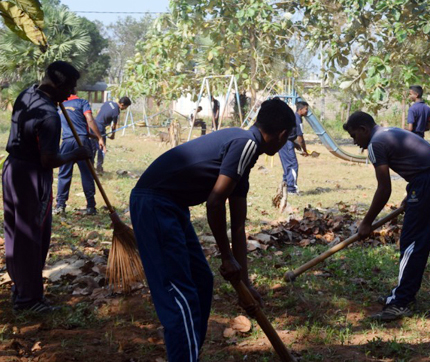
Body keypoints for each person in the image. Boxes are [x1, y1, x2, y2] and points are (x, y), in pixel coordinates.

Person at [129, 98, 295, 361]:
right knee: (180, 295)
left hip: (172, 206)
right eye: (288, 139)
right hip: (155, 204)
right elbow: (215, 202)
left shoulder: (246, 151)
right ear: (282, 135)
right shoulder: (245, 144)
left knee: (201, 281)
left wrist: (244, 283)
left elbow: (238, 224)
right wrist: (226, 256)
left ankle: (189, 352)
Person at [3, 61, 92, 313]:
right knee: (33, 236)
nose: (72, 94)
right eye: (70, 87)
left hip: (12, 169)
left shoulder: (27, 94)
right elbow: (49, 160)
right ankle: (29, 300)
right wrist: (76, 154)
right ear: (58, 84)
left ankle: (21, 288)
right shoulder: (50, 116)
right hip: (32, 176)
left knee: (16, 233)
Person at [344, 111, 430, 321]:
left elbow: (384, 189)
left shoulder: (376, 144)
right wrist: (413, 192)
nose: (355, 142)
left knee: (412, 243)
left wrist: (366, 223)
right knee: (416, 241)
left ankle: (401, 302)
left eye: (354, 136)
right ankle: (403, 295)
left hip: (427, 183)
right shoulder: (389, 132)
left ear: (364, 129)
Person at [54, 92, 106, 216]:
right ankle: (91, 206)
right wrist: (99, 137)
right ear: (75, 92)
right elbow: (89, 119)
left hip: (66, 142)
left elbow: (68, 126)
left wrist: (91, 135)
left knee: (64, 174)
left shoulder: (60, 105)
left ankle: (60, 205)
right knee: (87, 174)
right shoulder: (82, 102)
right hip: (82, 143)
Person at [92, 96, 131, 174]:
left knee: (93, 148)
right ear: (122, 104)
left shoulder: (108, 102)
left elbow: (99, 111)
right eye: (126, 107)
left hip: (93, 125)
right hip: (100, 128)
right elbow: (114, 125)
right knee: (102, 148)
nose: (126, 109)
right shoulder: (116, 111)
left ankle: (90, 167)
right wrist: (113, 135)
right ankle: (99, 168)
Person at [278, 101, 309, 194]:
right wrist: (304, 150)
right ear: (300, 109)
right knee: (292, 165)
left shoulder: (293, 117)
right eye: (306, 109)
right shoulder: (298, 119)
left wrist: (295, 144)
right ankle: (291, 189)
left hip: (283, 142)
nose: (307, 111)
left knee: (287, 165)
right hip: (286, 143)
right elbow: (300, 138)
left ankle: (285, 187)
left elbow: (290, 133)